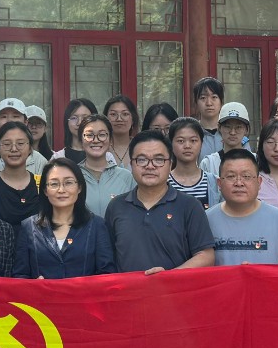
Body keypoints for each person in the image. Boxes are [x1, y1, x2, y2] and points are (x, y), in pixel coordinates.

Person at [104, 130, 217, 274]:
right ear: (131, 165)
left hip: (175, 287)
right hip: (128, 288)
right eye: (141, 159)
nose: (150, 166)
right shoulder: (116, 206)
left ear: (170, 164)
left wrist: (168, 277)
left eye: (159, 160)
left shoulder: (189, 205)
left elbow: (206, 256)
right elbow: (108, 258)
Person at [16, 158, 116, 278]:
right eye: (54, 184)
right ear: (45, 190)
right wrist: (33, 285)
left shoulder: (97, 225)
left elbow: (107, 274)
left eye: (68, 183)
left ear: (79, 187)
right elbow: (20, 275)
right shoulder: (28, 227)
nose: (61, 190)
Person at [206, 149, 278, 266]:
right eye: (231, 176)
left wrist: (259, 273)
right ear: (219, 183)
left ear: (259, 182)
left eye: (246, 176)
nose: (239, 183)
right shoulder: (206, 220)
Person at [77, 114, 135, 215]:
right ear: (81, 141)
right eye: (89, 135)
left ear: (110, 140)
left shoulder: (126, 177)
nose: (96, 140)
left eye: (102, 135)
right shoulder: (73, 176)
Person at [0, 122, 44, 226]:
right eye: (7, 144)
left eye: (20, 143)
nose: (14, 149)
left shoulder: (41, 184)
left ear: (30, 148)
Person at [167, 117, 217, 209]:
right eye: (181, 141)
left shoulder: (214, 183)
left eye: (193, 140)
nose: (187, 146)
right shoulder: (163, 182)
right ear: (171, 144)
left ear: (201, 143)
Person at [0, 97, 49, 171]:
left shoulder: (40, 162)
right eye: (4, 117)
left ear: (25, 122)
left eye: (15, 116)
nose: (10, 120)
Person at [200, 102, 250, 173]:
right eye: (227, 127)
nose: (232, 132)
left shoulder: (255, 160)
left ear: (246, 130)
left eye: (238, 127)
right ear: (219, 128)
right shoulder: (209, 163)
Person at [56, 97, 99, 163]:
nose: (79, 123)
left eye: (85, 118)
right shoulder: (58, 158)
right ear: (67, 122)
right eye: (74, 118)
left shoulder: (106, 156)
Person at [192, 76, 225, 156]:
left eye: (214, 97)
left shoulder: (231, 133)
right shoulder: (191, 133)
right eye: (203, 98)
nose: (209, 103)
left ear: (221, 102)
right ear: (196, 103)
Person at [104, 94, 139, 162]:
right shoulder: (100, 147)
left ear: (133, 119)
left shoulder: (140, 146)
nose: (119, 119)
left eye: (125, 114)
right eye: (113, 114)